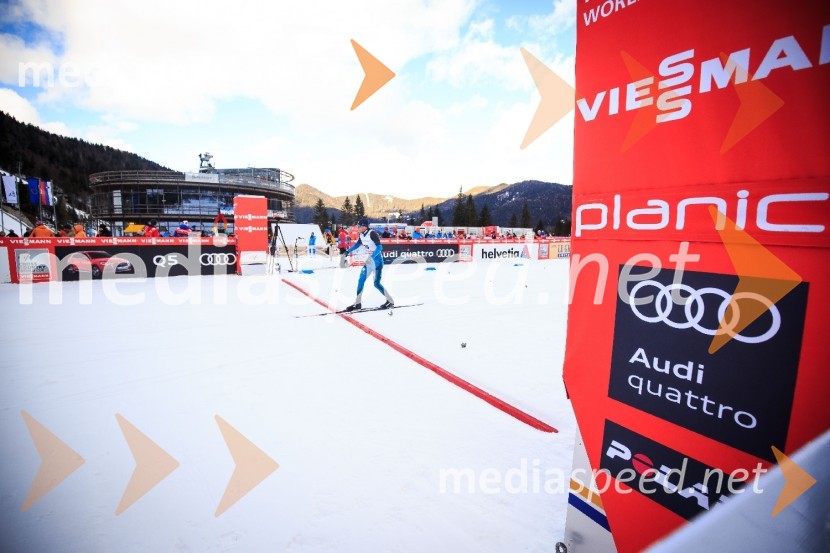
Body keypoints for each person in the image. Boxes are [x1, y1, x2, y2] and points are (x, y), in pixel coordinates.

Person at [342, 218, 394, 311]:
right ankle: (358, 303)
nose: (358, 227)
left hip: (377, 261)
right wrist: (347, 251)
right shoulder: (361, 234)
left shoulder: (372, 233)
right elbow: (357, 244)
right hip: (371, 261)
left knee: (376, 283)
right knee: (362, 280)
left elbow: (379, 247)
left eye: (359, 226)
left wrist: (371, 257)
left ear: (364, 226)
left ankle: (390, 301)